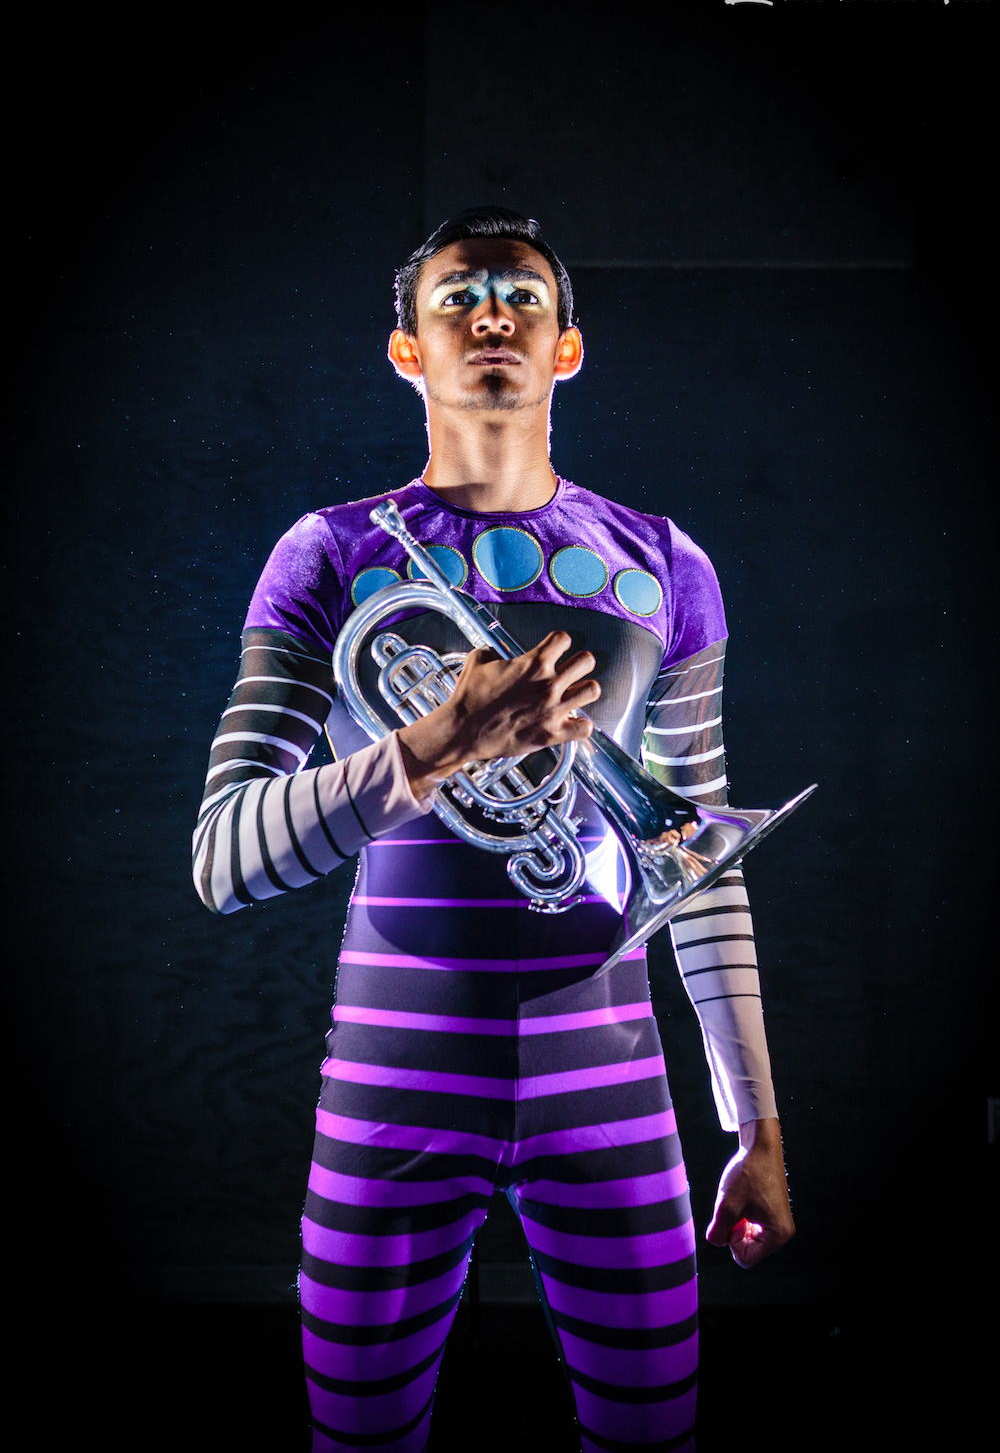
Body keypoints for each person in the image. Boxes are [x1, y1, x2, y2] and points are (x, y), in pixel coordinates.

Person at [193, 207, 795, 1453]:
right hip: (391, 1083)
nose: (491, 317)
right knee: (359, 1445)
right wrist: (438, 746)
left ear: (567, 347)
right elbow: (224, 859)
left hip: (614, 1085)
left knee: (653, 1441)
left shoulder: (663, 564)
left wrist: (758, 1129)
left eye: (521, 298)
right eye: (457, 298)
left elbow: (700, 865)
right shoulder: (327, 556)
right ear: (406, 352)